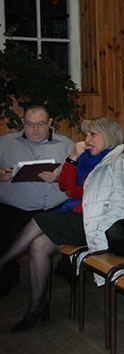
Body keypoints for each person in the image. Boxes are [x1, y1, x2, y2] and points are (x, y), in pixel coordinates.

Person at [0, 117, 124, 331]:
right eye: (86, 135)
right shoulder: (85, 158)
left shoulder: (121, 163)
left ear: (108, 135)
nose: (87, 139)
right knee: (38, 246)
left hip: (98, 224)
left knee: (39, 219)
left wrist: (76, 193)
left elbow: (118, 205)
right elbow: (65, 185)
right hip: (77, 215)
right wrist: (73, 157)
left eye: (93, 134)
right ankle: (37, 306)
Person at [0, 106, 75, 296]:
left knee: (73, 219)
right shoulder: (5, 143)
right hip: (15, 207)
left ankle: (67, 267)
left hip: (56, 207)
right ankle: (7, 274)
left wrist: (60, 177)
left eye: (40, 124)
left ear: (50, 123)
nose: (35, 129)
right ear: (22, 123)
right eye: (30, 124)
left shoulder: (66, 144)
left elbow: (81, 174)